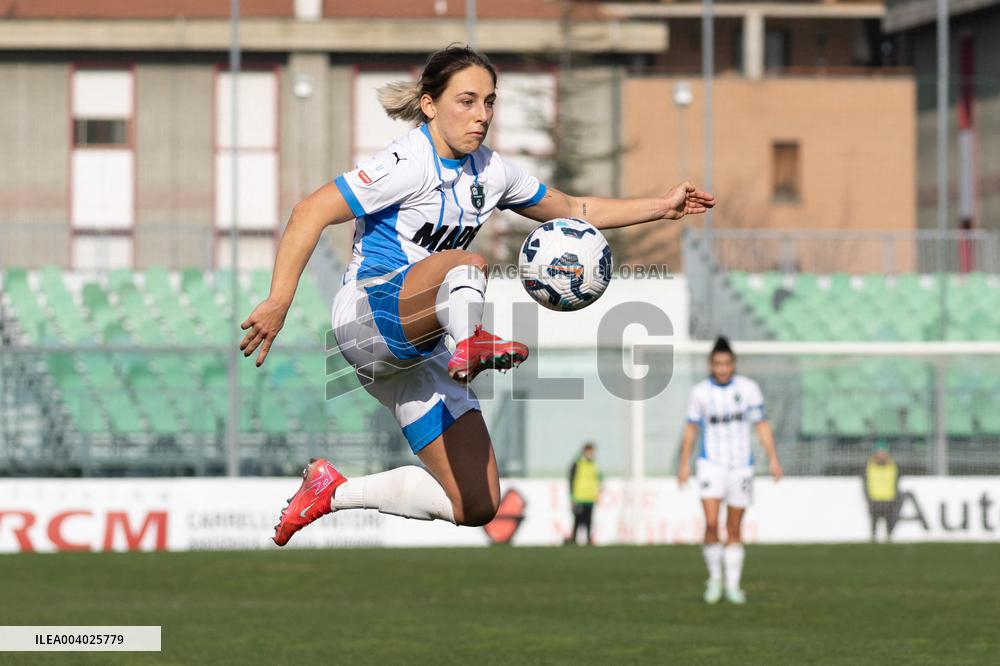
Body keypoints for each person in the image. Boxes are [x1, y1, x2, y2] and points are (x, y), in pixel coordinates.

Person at [239, 44, 715, 546]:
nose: (482, 115)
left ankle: (331, 491)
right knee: (467, 265)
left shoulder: (493, 172)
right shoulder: (407, 162)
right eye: (467, 101)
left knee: (476, 503)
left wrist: (661, 207)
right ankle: (472, 343)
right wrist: (279, 301)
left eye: (489, 102)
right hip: (367, 317)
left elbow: (573, 207)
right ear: (429, 105)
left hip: (423, 349)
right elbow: (308, 212)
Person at [678, 336, 782, 605]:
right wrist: (683, 464)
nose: (722, 368)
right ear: (711, 365)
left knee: (734, 528)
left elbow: (761, 425)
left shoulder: (748, 389)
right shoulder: (700, 393)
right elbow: (691, 429)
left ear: (733, 364)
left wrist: (773, 459)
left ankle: (733, 586)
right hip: (710, 464)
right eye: (717, 364)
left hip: (741, 467)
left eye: (726, 363)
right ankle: (714, 579)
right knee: (712, 524)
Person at [566, 442, 602, 545]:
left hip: (590, 497)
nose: (591, 453)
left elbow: (597, 479)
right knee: (578, 519)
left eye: (592, 451)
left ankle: (589, 539)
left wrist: (597, 494)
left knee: (589, 519)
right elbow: (572, 480)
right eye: (589, 451)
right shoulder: (577, 463)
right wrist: (572, 496)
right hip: (579, 496)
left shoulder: (594, 464)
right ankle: (574, 539)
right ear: (584, 451)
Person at [864, 440, 900, 542]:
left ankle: (888, 539)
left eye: (883, 452)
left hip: (889, 499)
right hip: (874, 499)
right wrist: (868, 497)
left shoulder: (892, 466)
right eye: (879, 452)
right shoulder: (869, 466)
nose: (882, 455)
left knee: (889, 524)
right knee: (874, 524)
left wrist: (894, 496)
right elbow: (865, 483)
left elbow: (896, 482)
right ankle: (873, 540)